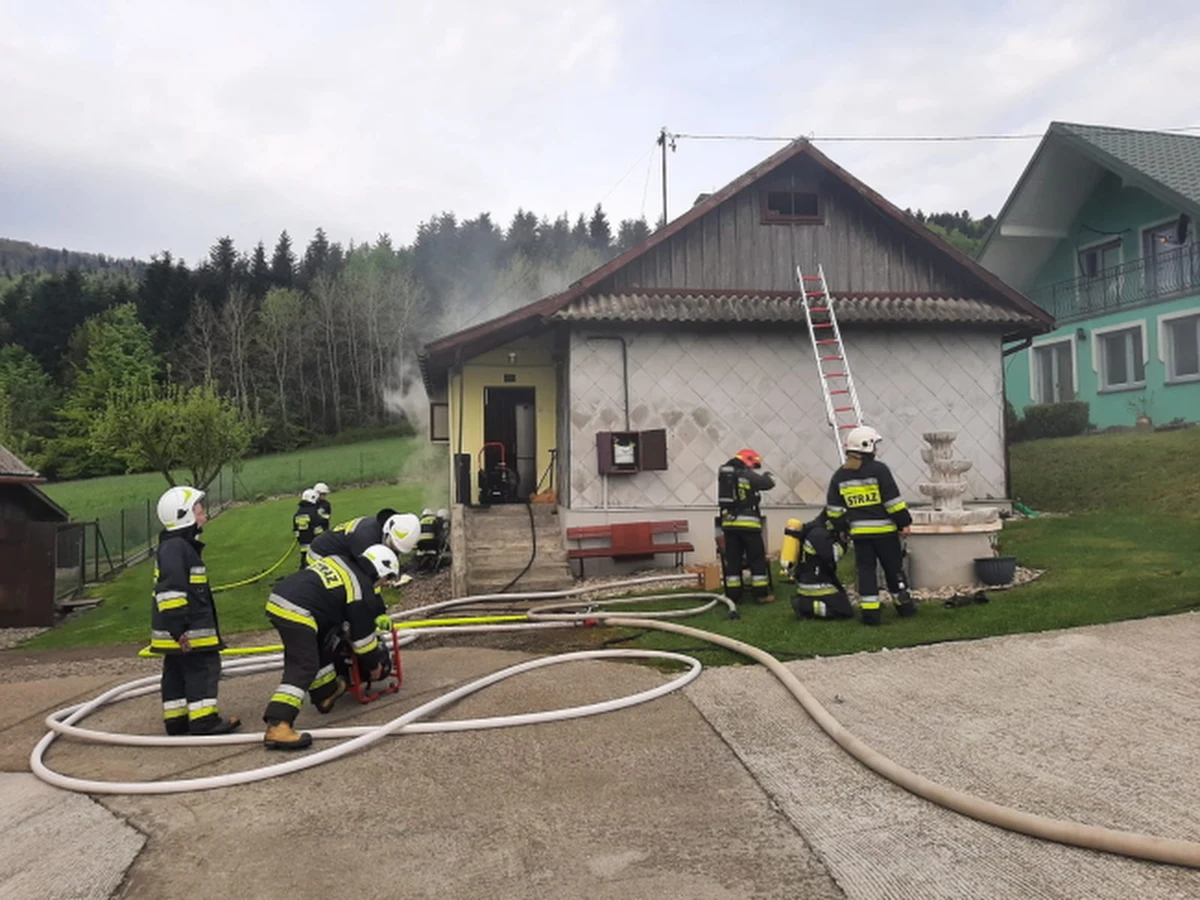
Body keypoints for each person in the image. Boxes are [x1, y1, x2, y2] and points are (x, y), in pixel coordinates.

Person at [261, 544, 401, 750]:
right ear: (381, 570)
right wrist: (374, 665)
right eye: (387, 579)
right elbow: (362, 642)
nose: (385, 584)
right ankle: (278, 724)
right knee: (304, 666)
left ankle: (325, 694)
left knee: (320, 645)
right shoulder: (360, 587)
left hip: (282, 599)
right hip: (298, 609)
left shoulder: (341, 560)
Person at [150, 486, 241, 736]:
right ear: (185, 516)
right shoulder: (178, 548)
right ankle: (204, 720)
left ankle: (177, 720)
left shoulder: (175, 547)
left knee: (176, 673)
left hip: (175, 629)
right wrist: (180, 630)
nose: (204, 517)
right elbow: (171, 592)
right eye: (199, 512)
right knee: (204, 669)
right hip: (189, 631)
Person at [824, 426, 914, 626]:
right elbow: (893, 502)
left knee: (865, 571)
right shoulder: (879, 470)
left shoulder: (840, 475)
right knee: (893, 569)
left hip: (860, 534)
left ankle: (870, 615)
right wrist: (904, 522)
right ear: (868, 446)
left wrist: (843, 529)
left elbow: (834, 511)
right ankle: (905, 607)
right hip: (885, 532)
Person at [716, 448, 776, 604]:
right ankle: (760, 595)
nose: (753, 468)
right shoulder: (746, 474)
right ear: (747, 460)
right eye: (753, 464)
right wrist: (769, 476)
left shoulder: (726, 474)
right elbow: (768, 483)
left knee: (733, 560)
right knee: (756, 559)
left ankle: (733, 596)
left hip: (729, 524)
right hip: (749, 525)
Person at [781, 514, 853, 620]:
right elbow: (833, 555)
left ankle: (806, 603)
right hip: (817, 584)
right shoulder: (819, 534)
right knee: (844, 612)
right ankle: (806, 606)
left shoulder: (814, 529)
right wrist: (843, 541)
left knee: (842, 599)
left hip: (811, 579)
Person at [306, 509, 413, 564]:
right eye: (393, 545)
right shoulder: (366, 540)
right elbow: (365, 574)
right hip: (320, 554)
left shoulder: (384, 526)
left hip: (339, 549)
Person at [293, 488, 325, 569]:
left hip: (303, 543)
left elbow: (296, 529)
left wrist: (299, 538)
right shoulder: (313, 512)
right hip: (314, 542)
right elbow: (318, 528)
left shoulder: (298, 513)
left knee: (304, 560)